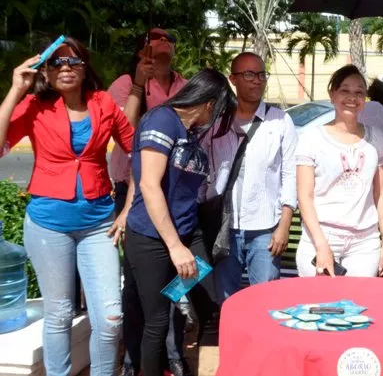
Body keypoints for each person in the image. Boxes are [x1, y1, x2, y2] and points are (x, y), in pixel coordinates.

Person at [0, 37, 134, 376]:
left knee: (110, 317)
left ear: (85, 66)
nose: (65, 68)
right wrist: (16, 90)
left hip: (99, 222)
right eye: (56, 62)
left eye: (73, 61)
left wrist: (129, 207)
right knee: (59, 314)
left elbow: (141, 151)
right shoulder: (34, 105)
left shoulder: (103, 103)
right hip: (48, 224)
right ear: (44, 69)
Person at [124, 69, 235, 376]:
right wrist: (174, 247)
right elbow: (148, 184)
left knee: (210, 308)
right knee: (157, 321)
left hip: (188, 233)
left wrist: (183, 246)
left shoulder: (189, 132)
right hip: (152, 240)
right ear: (211, 104)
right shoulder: (162, 120)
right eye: (221, 112)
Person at [106, 28, 191, 376]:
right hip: (133, 190)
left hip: (175, 195)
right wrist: (140, 88)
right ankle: (134, 357)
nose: (162, 53)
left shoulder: (184, 87)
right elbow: (123, 133)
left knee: (180, 278)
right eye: (154, 48)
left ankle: (173, 350)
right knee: (137, 282)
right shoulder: (125, 84)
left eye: (167, 47)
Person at [208, 52, 297, 301]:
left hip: (265, 230)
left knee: (266, 301)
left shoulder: (280, 121)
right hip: (224, 229)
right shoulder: (216, 121)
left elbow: (290, 176)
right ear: (233, 79)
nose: (257, 80)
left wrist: (284, 226)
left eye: (261, 74)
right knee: (226, 302)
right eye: (248, 74)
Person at [295, 65, 383, 277]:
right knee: (318, 307)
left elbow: (381, 193)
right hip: (321, 236)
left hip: (364, 243)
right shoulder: (312, 138)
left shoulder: (376, 139)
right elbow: (305, 197)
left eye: (359, 92)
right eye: (345, 90)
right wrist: (321, 246)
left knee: (360, 306)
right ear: (332, 94)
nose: (352, 97)